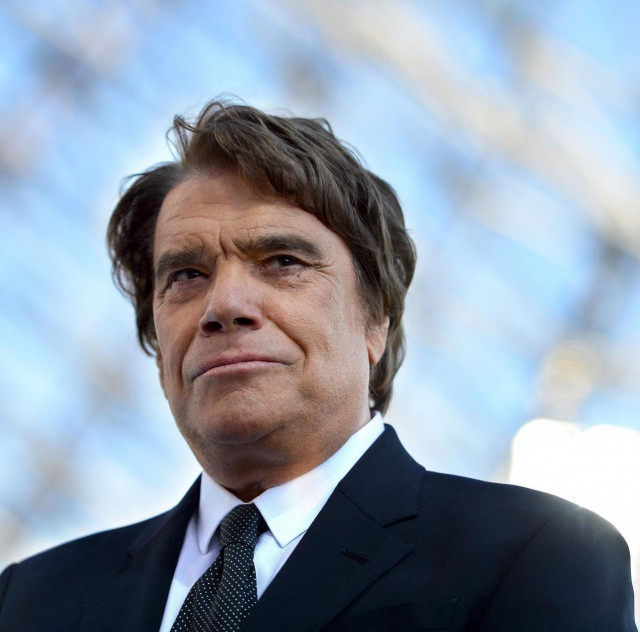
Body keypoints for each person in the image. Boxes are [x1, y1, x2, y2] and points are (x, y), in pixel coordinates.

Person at [0, 100, 635, 632]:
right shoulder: (29, 602)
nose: (223, 305)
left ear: (376, 319)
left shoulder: (535, 558)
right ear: (157, 338)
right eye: (186, 275)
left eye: (282, 261)